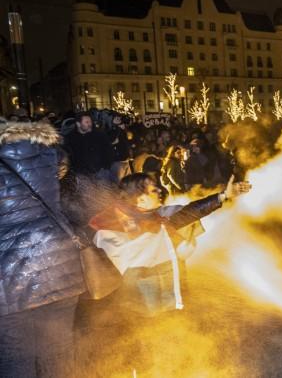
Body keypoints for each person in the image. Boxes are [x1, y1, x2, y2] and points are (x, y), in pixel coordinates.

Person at [89, 173, 251, 316]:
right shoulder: (115, 232)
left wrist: (223, 196)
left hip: (162, 304)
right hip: (140, 310)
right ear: (141, 200)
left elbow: (188, 213)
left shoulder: (154, 218)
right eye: (154, 189)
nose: (160, 191)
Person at [0, 121, 86, 377]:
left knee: (16, 359)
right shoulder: (47, 152)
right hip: (60, 267)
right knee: (58, 354)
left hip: (8, 279)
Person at [64, 111, 112, 179]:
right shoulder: (71, 138)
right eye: (86, 122)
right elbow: (69, 156)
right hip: (81, 174)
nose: (90, 124)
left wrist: (106, 167)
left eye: (90, 122)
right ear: (78, 124)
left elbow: (108, 150)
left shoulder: (99, 135)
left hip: (100, 172)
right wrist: (74, 170)